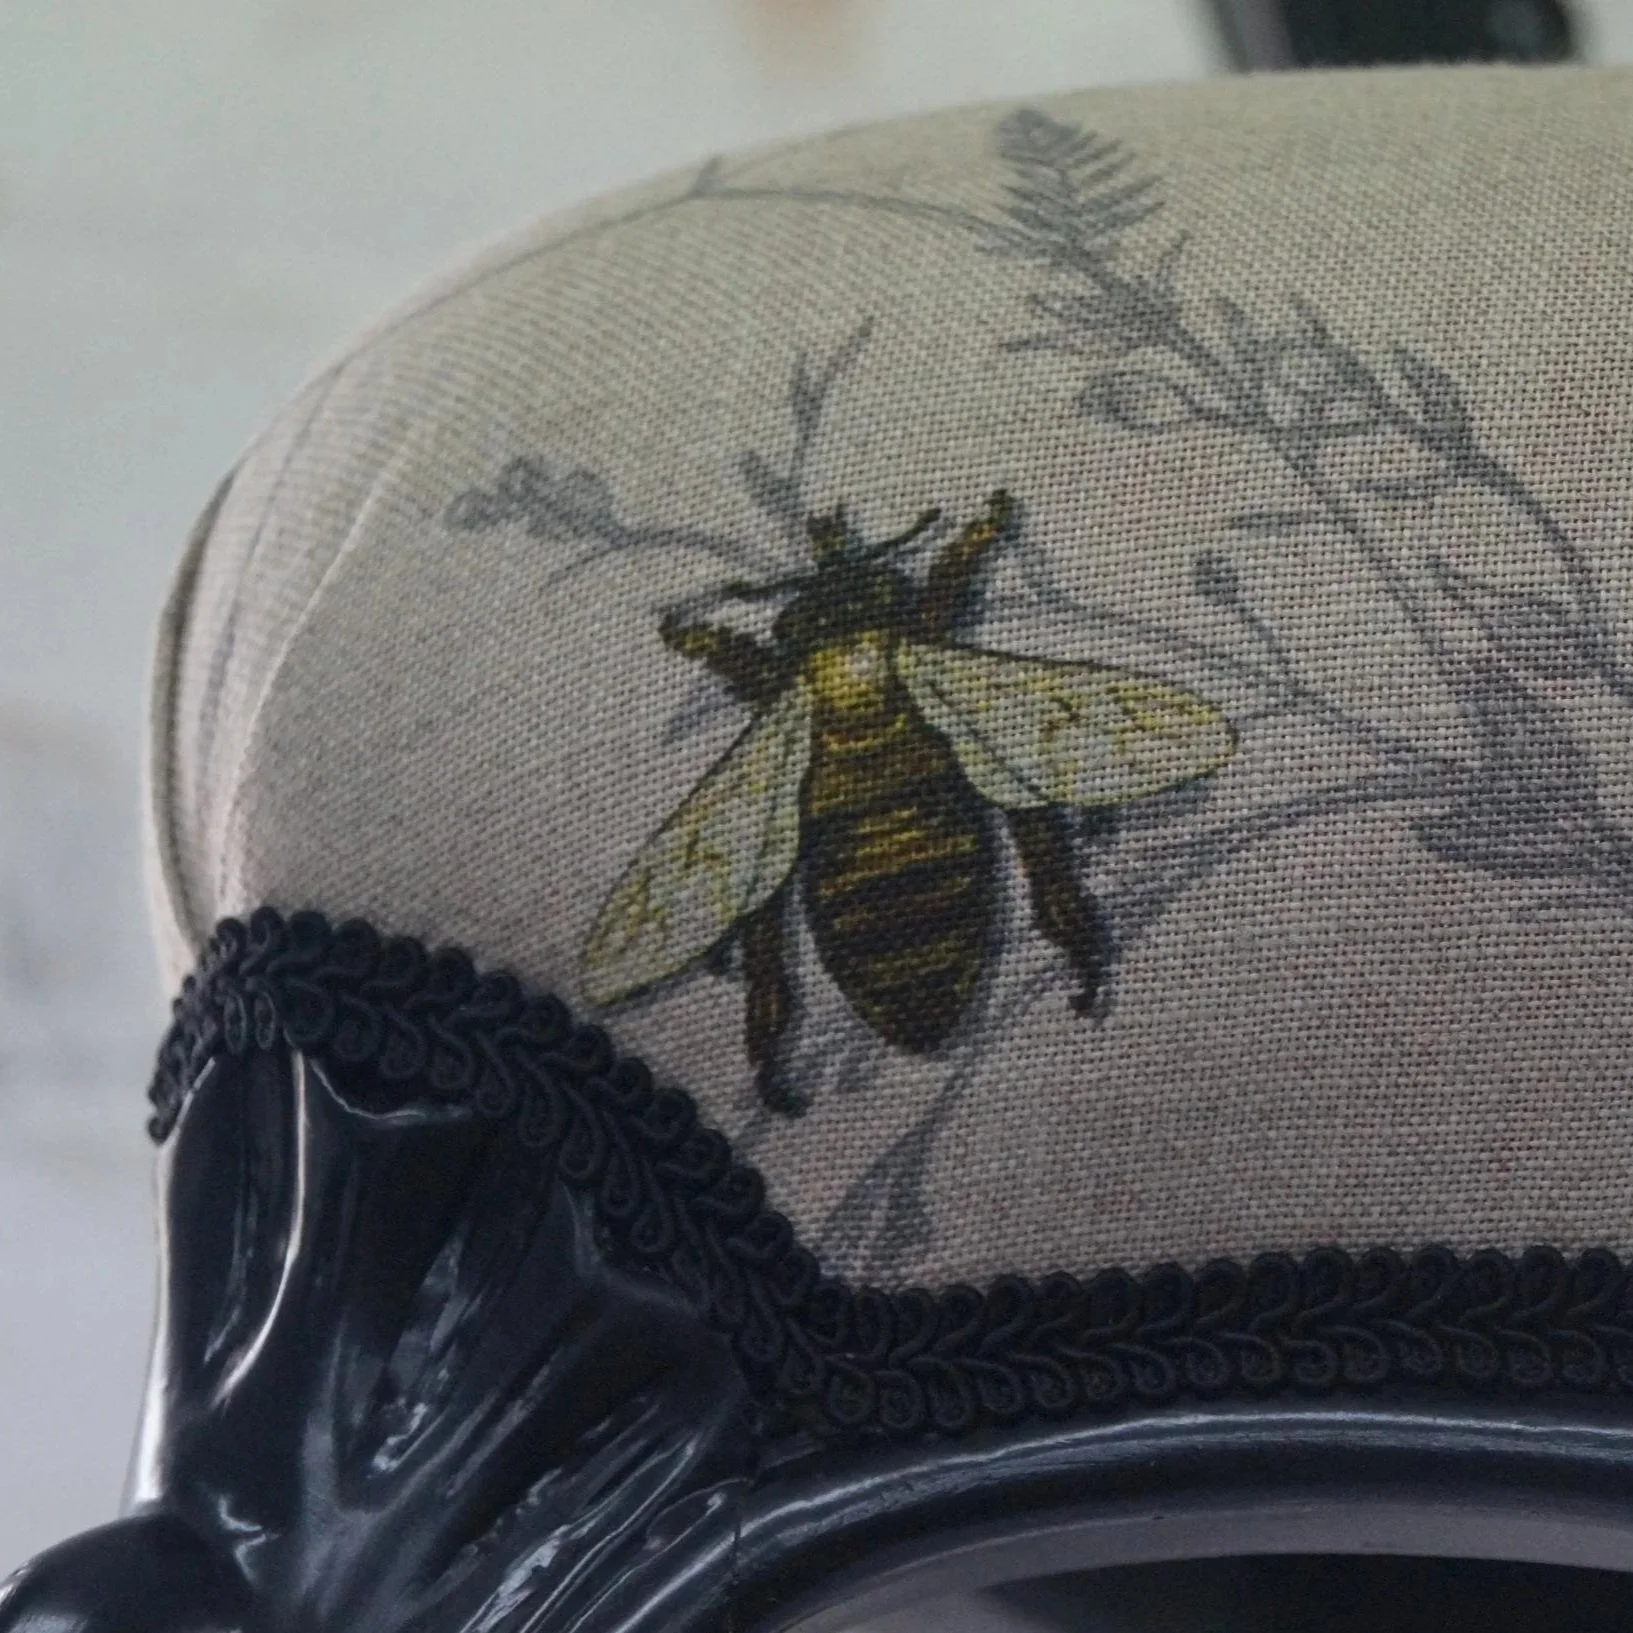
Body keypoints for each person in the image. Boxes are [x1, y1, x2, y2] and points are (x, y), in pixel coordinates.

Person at [6, 59, 1633, 1633]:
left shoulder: (799, 691)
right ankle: (1050, 959)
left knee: (816, 875)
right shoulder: (928, 658)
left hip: (870, 889)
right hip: (909, 877)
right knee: (982, 818)